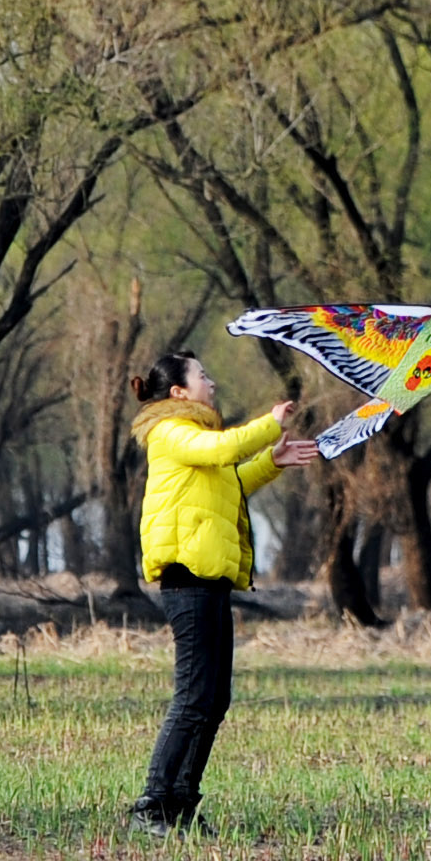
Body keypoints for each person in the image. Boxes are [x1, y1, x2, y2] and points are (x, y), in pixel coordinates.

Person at [127, 350, 320, 833]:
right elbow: (225, 451)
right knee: (193, 697)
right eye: (202, 375)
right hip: (187, 579)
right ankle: (152, 806)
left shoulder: (197, 438)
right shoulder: (169, 432)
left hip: (210, 580)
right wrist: (270, 425)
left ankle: (181, 806)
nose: (211, 383)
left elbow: (230, 481)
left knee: (214, 699)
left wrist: (272, 461)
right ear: (179, 391)